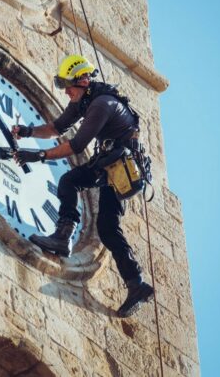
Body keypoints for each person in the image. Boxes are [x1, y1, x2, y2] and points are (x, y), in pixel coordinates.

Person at [11, 54, 154, 318]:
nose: (66, 92)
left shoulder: (101, 104)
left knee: (70, 182)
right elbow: (56, 128)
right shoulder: (83, 100)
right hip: (111, 165)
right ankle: (137, 284)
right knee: (107, 226)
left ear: (84, 80)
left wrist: (39, 156)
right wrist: (28, 132)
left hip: (119, 167)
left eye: (69, 86)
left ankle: (63, 238)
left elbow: (75, 145)